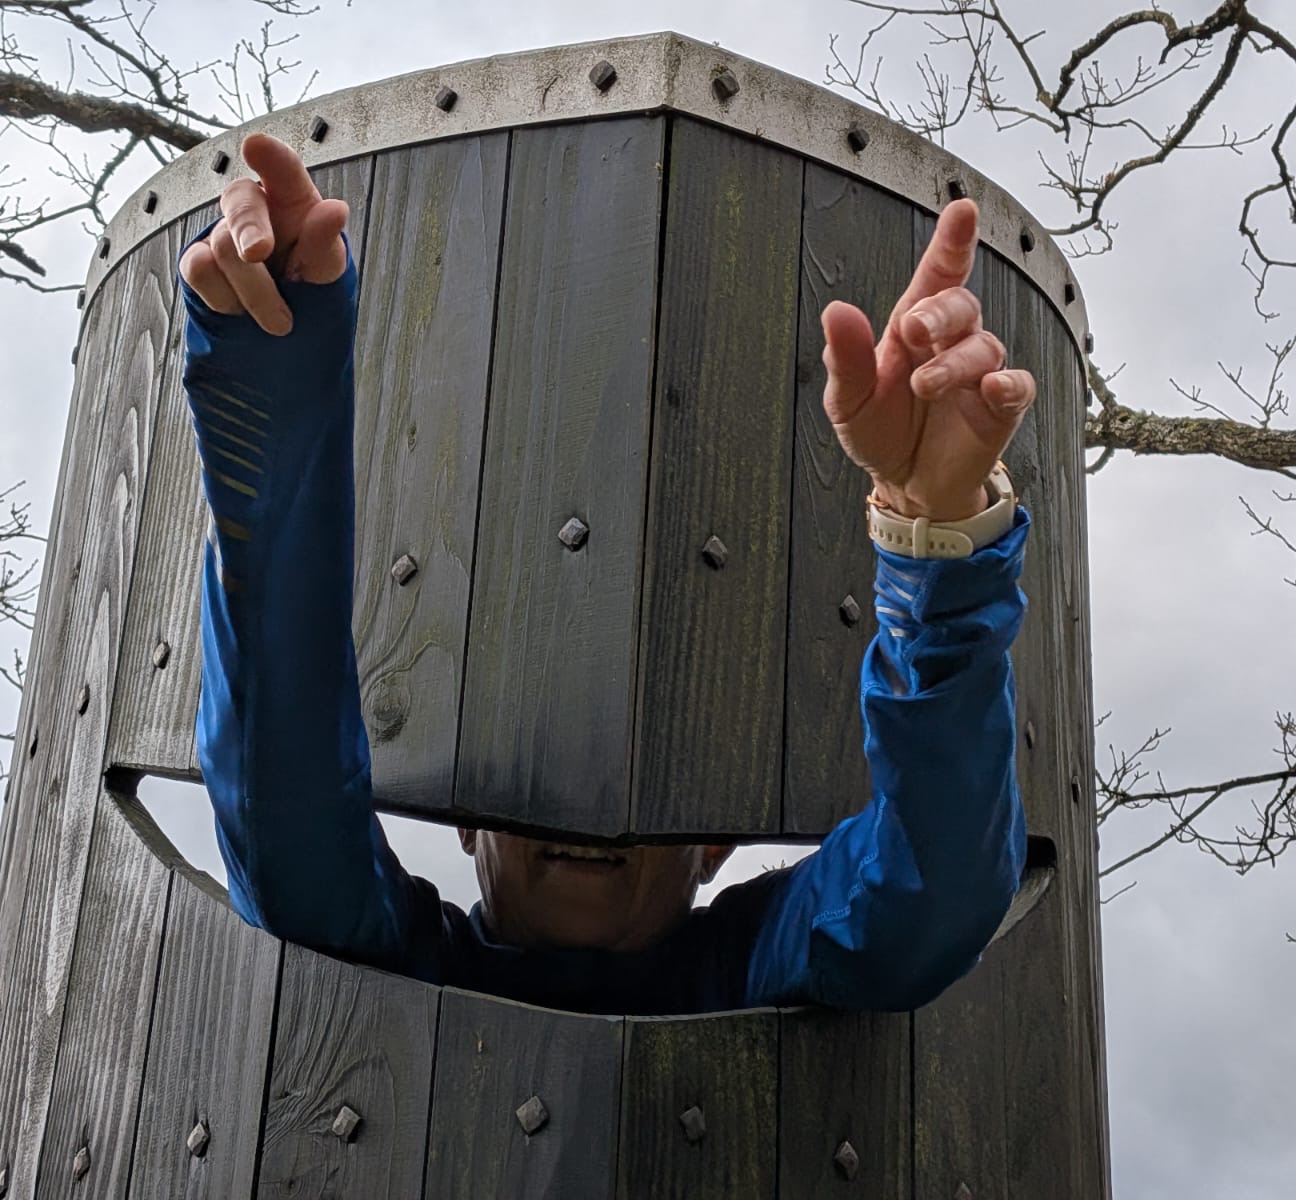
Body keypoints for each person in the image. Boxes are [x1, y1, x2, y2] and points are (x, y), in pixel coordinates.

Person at [176, 133, 1034, 1017]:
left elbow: (925, 894)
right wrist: (275, 392)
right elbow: (294, 848)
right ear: (467, 814)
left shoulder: (749, 968)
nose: (595, 798)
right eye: (540, 755)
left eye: (647, 760)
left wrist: (932, 537)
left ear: (713, 842)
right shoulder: (401, 958)